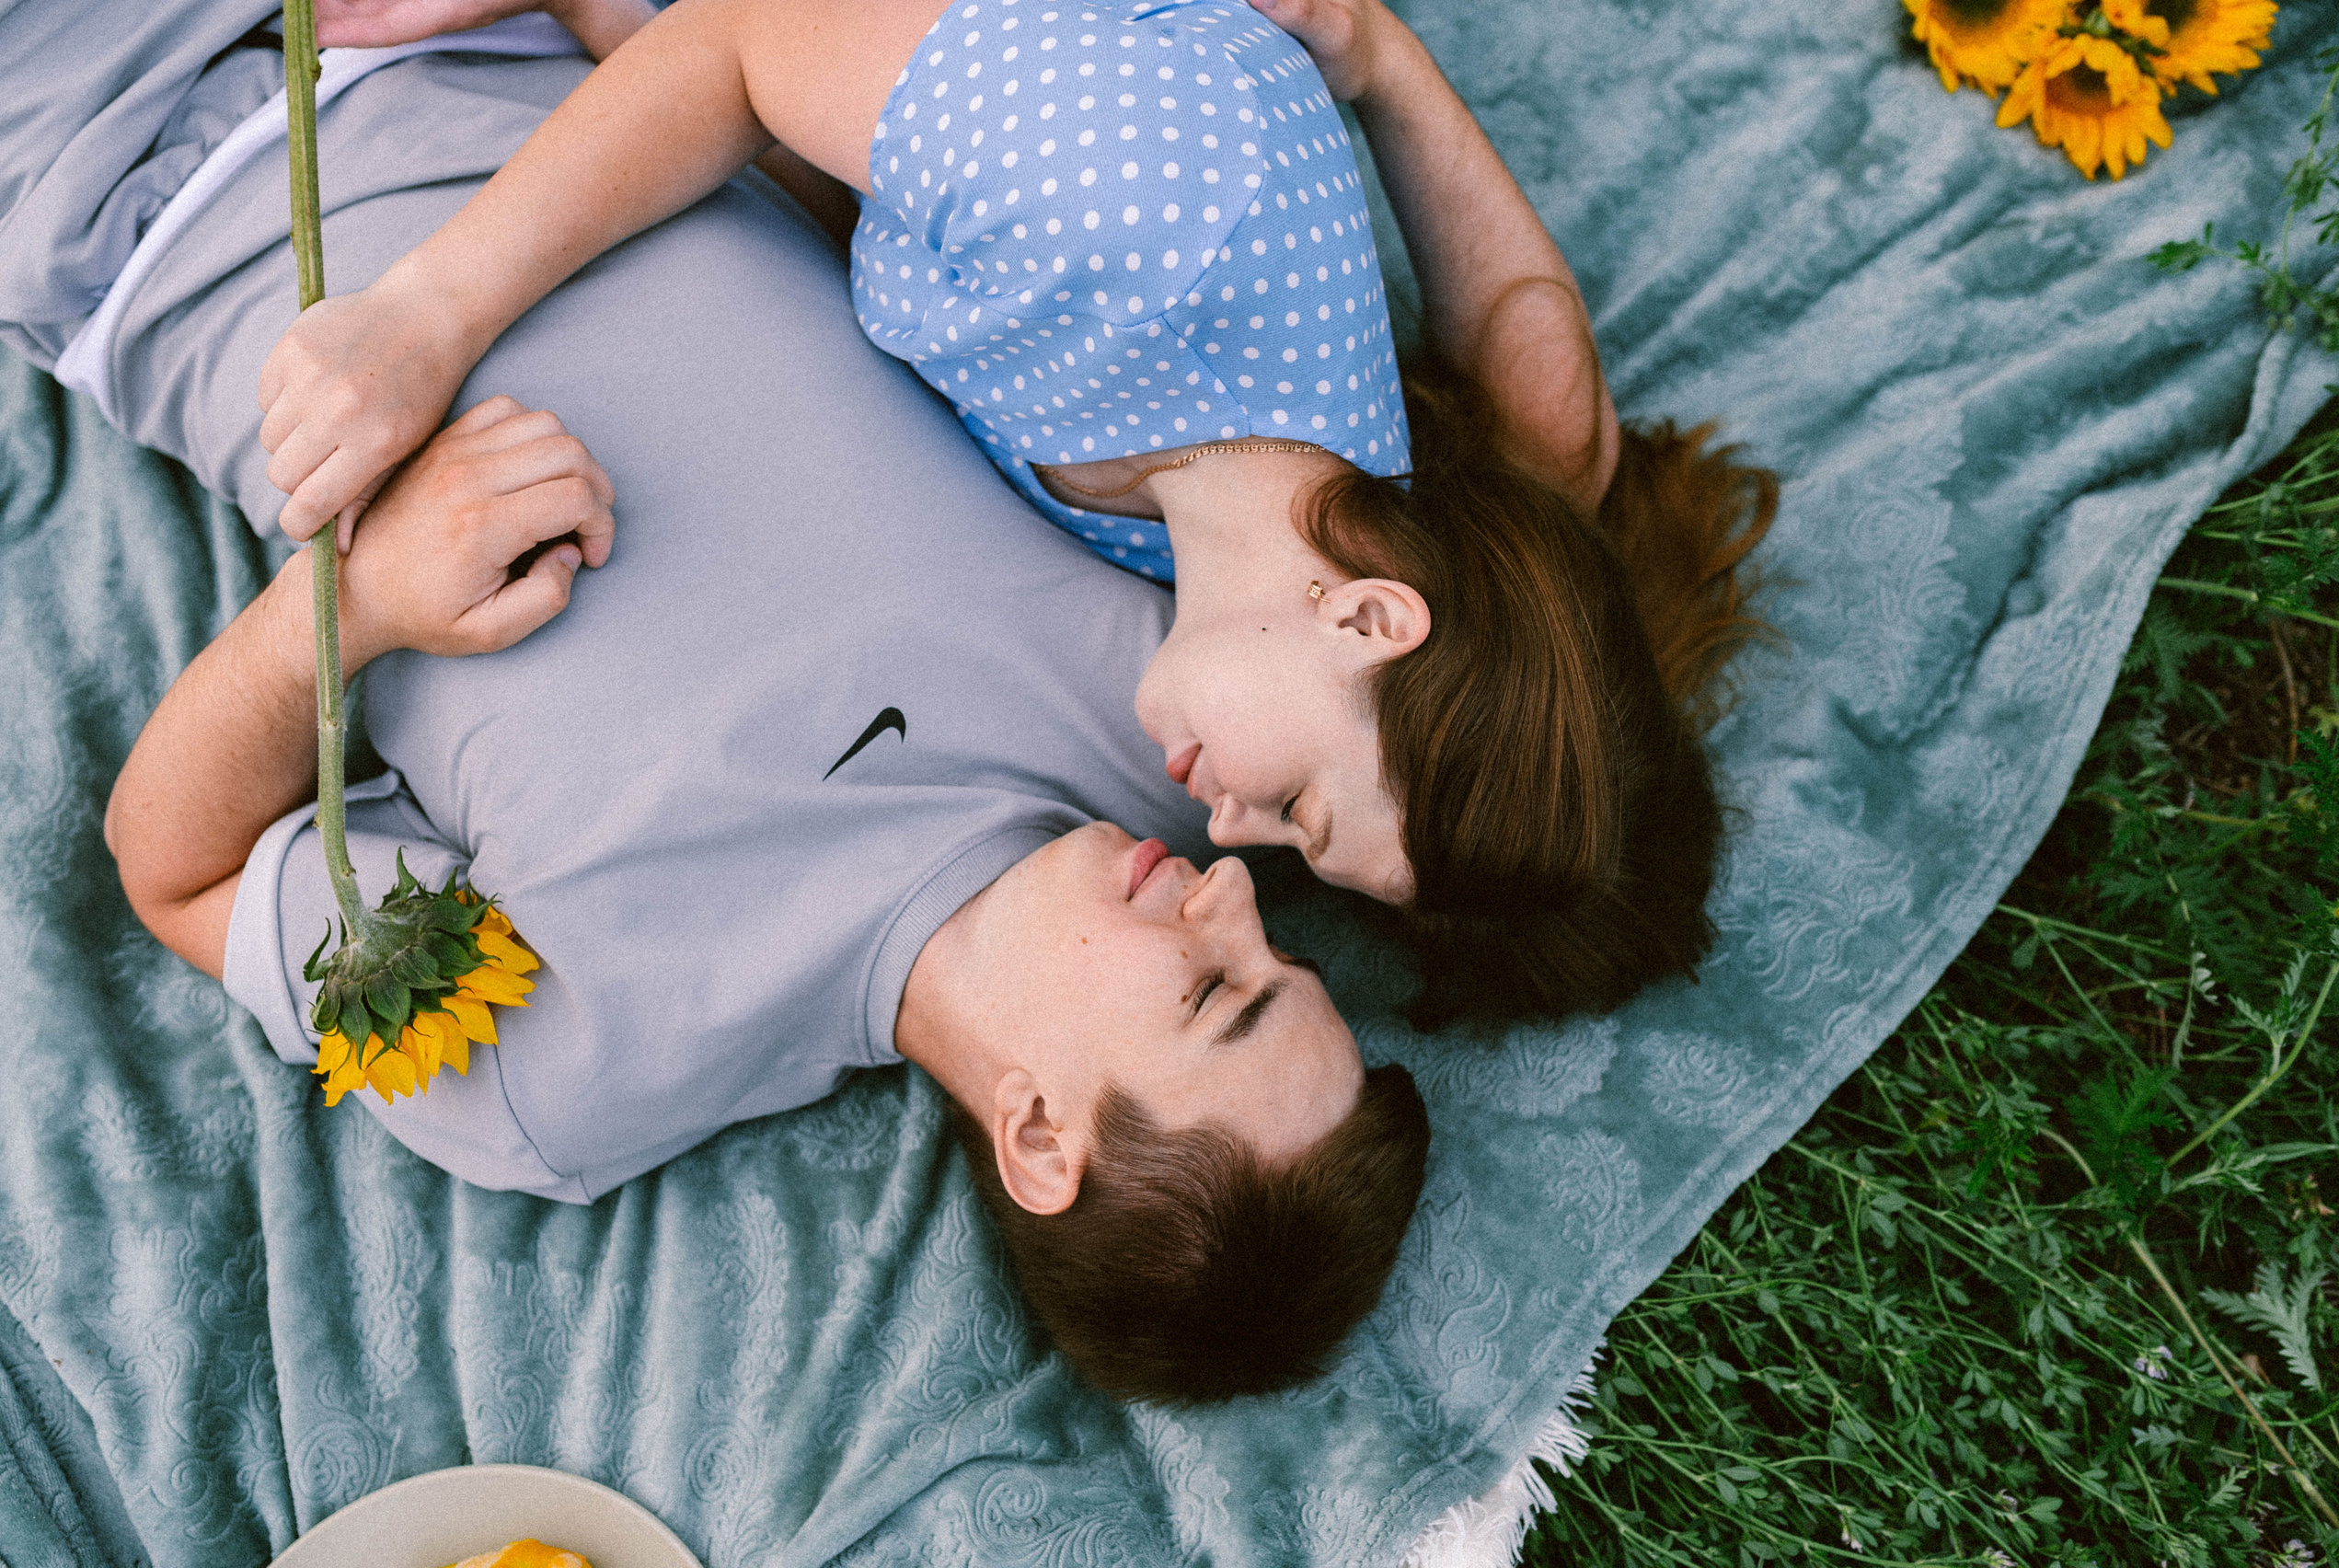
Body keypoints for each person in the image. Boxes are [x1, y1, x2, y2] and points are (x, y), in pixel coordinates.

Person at [70, 25, 1428, 1402]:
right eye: (1278, 952)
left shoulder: (574, 1068)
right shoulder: (1179, 726)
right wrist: (1378, 59)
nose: (1235, 899)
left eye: (1214, 992)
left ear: (1036, 1137)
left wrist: (359, 600)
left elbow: (174, 871)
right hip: (531, 41)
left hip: (120, 182)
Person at [259, 0, 1780, 1031]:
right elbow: (742, 44)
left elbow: (1555, 443)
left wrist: (1381, 64)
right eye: (1302, 813)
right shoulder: (1145, 233)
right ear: (1371, 615)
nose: (1234, 844)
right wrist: (423, 314)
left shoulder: (1262, 514)